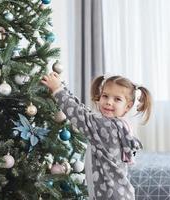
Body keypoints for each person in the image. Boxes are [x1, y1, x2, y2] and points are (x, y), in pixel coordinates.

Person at [41, 72, 152, 200]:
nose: (109, 102)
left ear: (128, 106)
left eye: (117, 99)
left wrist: (57, 90)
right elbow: (84, 111)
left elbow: (78, 114)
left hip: (109, 195)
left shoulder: (106, 127)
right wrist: (62, 87)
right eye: (105, 96)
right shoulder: (118, 124)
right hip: (118, 193)